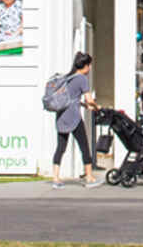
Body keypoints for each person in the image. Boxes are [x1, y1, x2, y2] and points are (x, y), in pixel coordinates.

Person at [51, 51, 101, 189]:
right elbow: (89, 99)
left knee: (60, 147)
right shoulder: (82, 79)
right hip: (74, 118)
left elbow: (72, 98)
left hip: (61, 116)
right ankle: (89, 177)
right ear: (85, 65)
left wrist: (84, 105)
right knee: (84, 146)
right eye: (89, 65)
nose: (90, 68)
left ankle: (55, 178)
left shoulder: (67, 77)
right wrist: (96, 107)